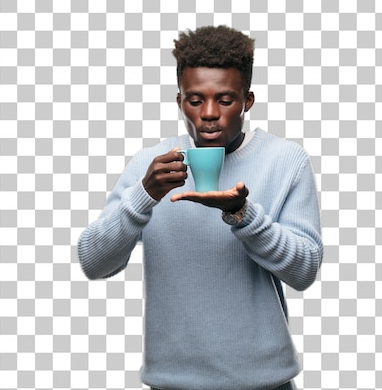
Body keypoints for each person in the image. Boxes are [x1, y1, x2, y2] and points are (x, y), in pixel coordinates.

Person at [78, 25, 323, 390]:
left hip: (264, 383)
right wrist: (144, 195)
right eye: (195, 100)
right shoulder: (150, 164)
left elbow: (304, 270)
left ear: (247, 101)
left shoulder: (286, 160)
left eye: (225, 100)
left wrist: (244, 215)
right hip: (171, 384)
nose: (209, 113)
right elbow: (94, 263)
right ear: (180, 101)